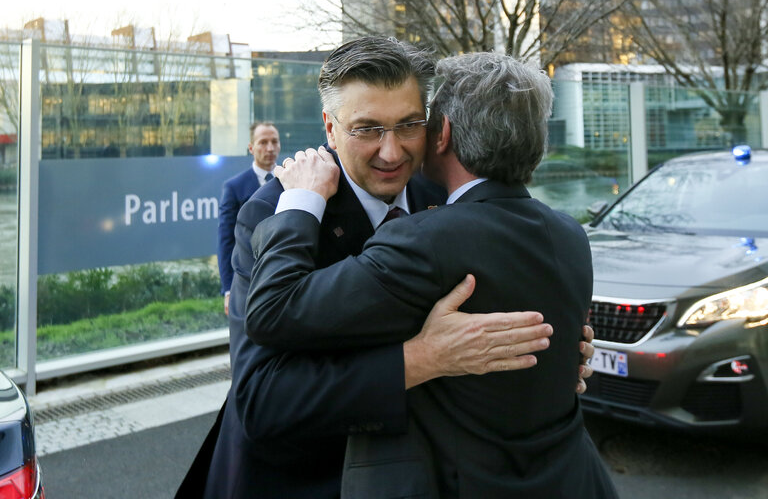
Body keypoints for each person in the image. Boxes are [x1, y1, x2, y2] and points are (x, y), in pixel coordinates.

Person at [179, 37, 593, 499]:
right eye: (367, 129)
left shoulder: (446, 195)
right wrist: (421, 360)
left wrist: (553, 355)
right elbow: (263, 400)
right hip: (307, 479)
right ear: (330, 129)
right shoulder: (275, 213)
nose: (392, 152)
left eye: (408, 125)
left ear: (436, 127)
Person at [216, 121, 279, 315]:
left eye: (274, 141)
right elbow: (226, 240)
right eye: (263, 142)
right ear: (251, 148)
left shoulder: (291, 178)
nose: (270, 148)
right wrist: (228, 289)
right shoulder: (234, 187)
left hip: (284, 272)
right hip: (248, 278)